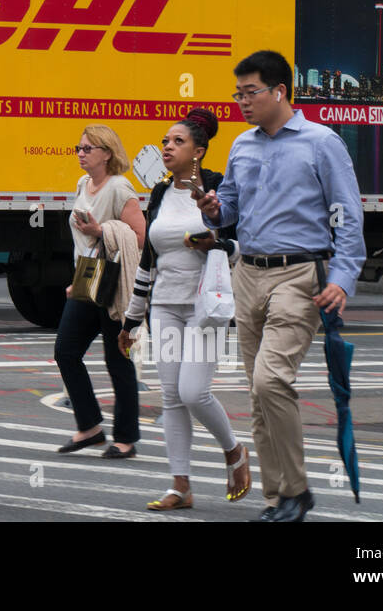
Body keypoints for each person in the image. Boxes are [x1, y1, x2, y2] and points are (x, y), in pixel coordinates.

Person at [196, 50, 365, 523]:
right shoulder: (242, 145)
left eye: (250, 93)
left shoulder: (321, 143)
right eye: (238, 94)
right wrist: (214, 209)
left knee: (272, 380)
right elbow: (231, 206)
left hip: (299, 274)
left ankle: (295, 492)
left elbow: (347, 214)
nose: (242, 103)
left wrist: (344, 279)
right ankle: (279, 498)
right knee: (257, 391)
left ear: (280, 92)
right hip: (246, 273)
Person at [119, 110, 251, 509]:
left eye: (177, 142)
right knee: (172, 397)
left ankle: (233, 450)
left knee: (194, 392)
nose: (167, 148)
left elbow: (242, 246)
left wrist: (214, 245)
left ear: (199, 150)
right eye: (165, 142)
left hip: (205, 306)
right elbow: (148, 259)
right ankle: (181, 486)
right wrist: (131, 320)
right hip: (165, 306)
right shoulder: (160, 193)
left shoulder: (218, 189)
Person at [54, 124, 146, 459]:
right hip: (87, 279)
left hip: (114, 283)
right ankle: (90, 426)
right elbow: (82, 242)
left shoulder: (121, 188)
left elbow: (139, 237)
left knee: (117, 359)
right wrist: (76, 278)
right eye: (78, 148)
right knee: (65, 351)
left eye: (87, 148)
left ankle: (125, 438)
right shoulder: (83, 183)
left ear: (107, 153)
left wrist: (101, 230)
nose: (80, 153)